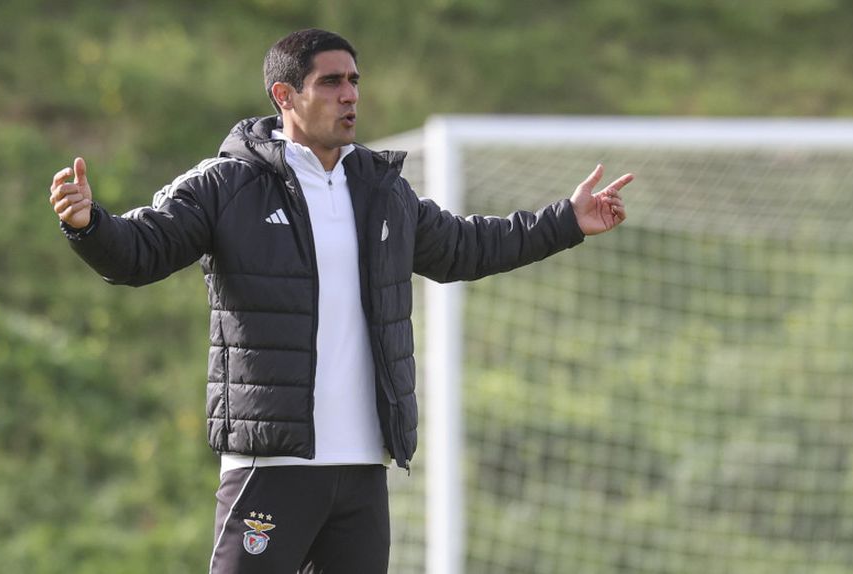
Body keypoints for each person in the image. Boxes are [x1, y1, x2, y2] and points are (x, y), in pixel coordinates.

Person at [48, 28, 632, 574]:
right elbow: (139, 253)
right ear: (285, 95)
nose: (350, 95)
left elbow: (467, 247)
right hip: (272, 467)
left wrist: (566, 222)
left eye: (355, 81)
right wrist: (89, 224)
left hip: (361, 469)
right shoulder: (225, 185)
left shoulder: (382, 191)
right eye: (331, 82)